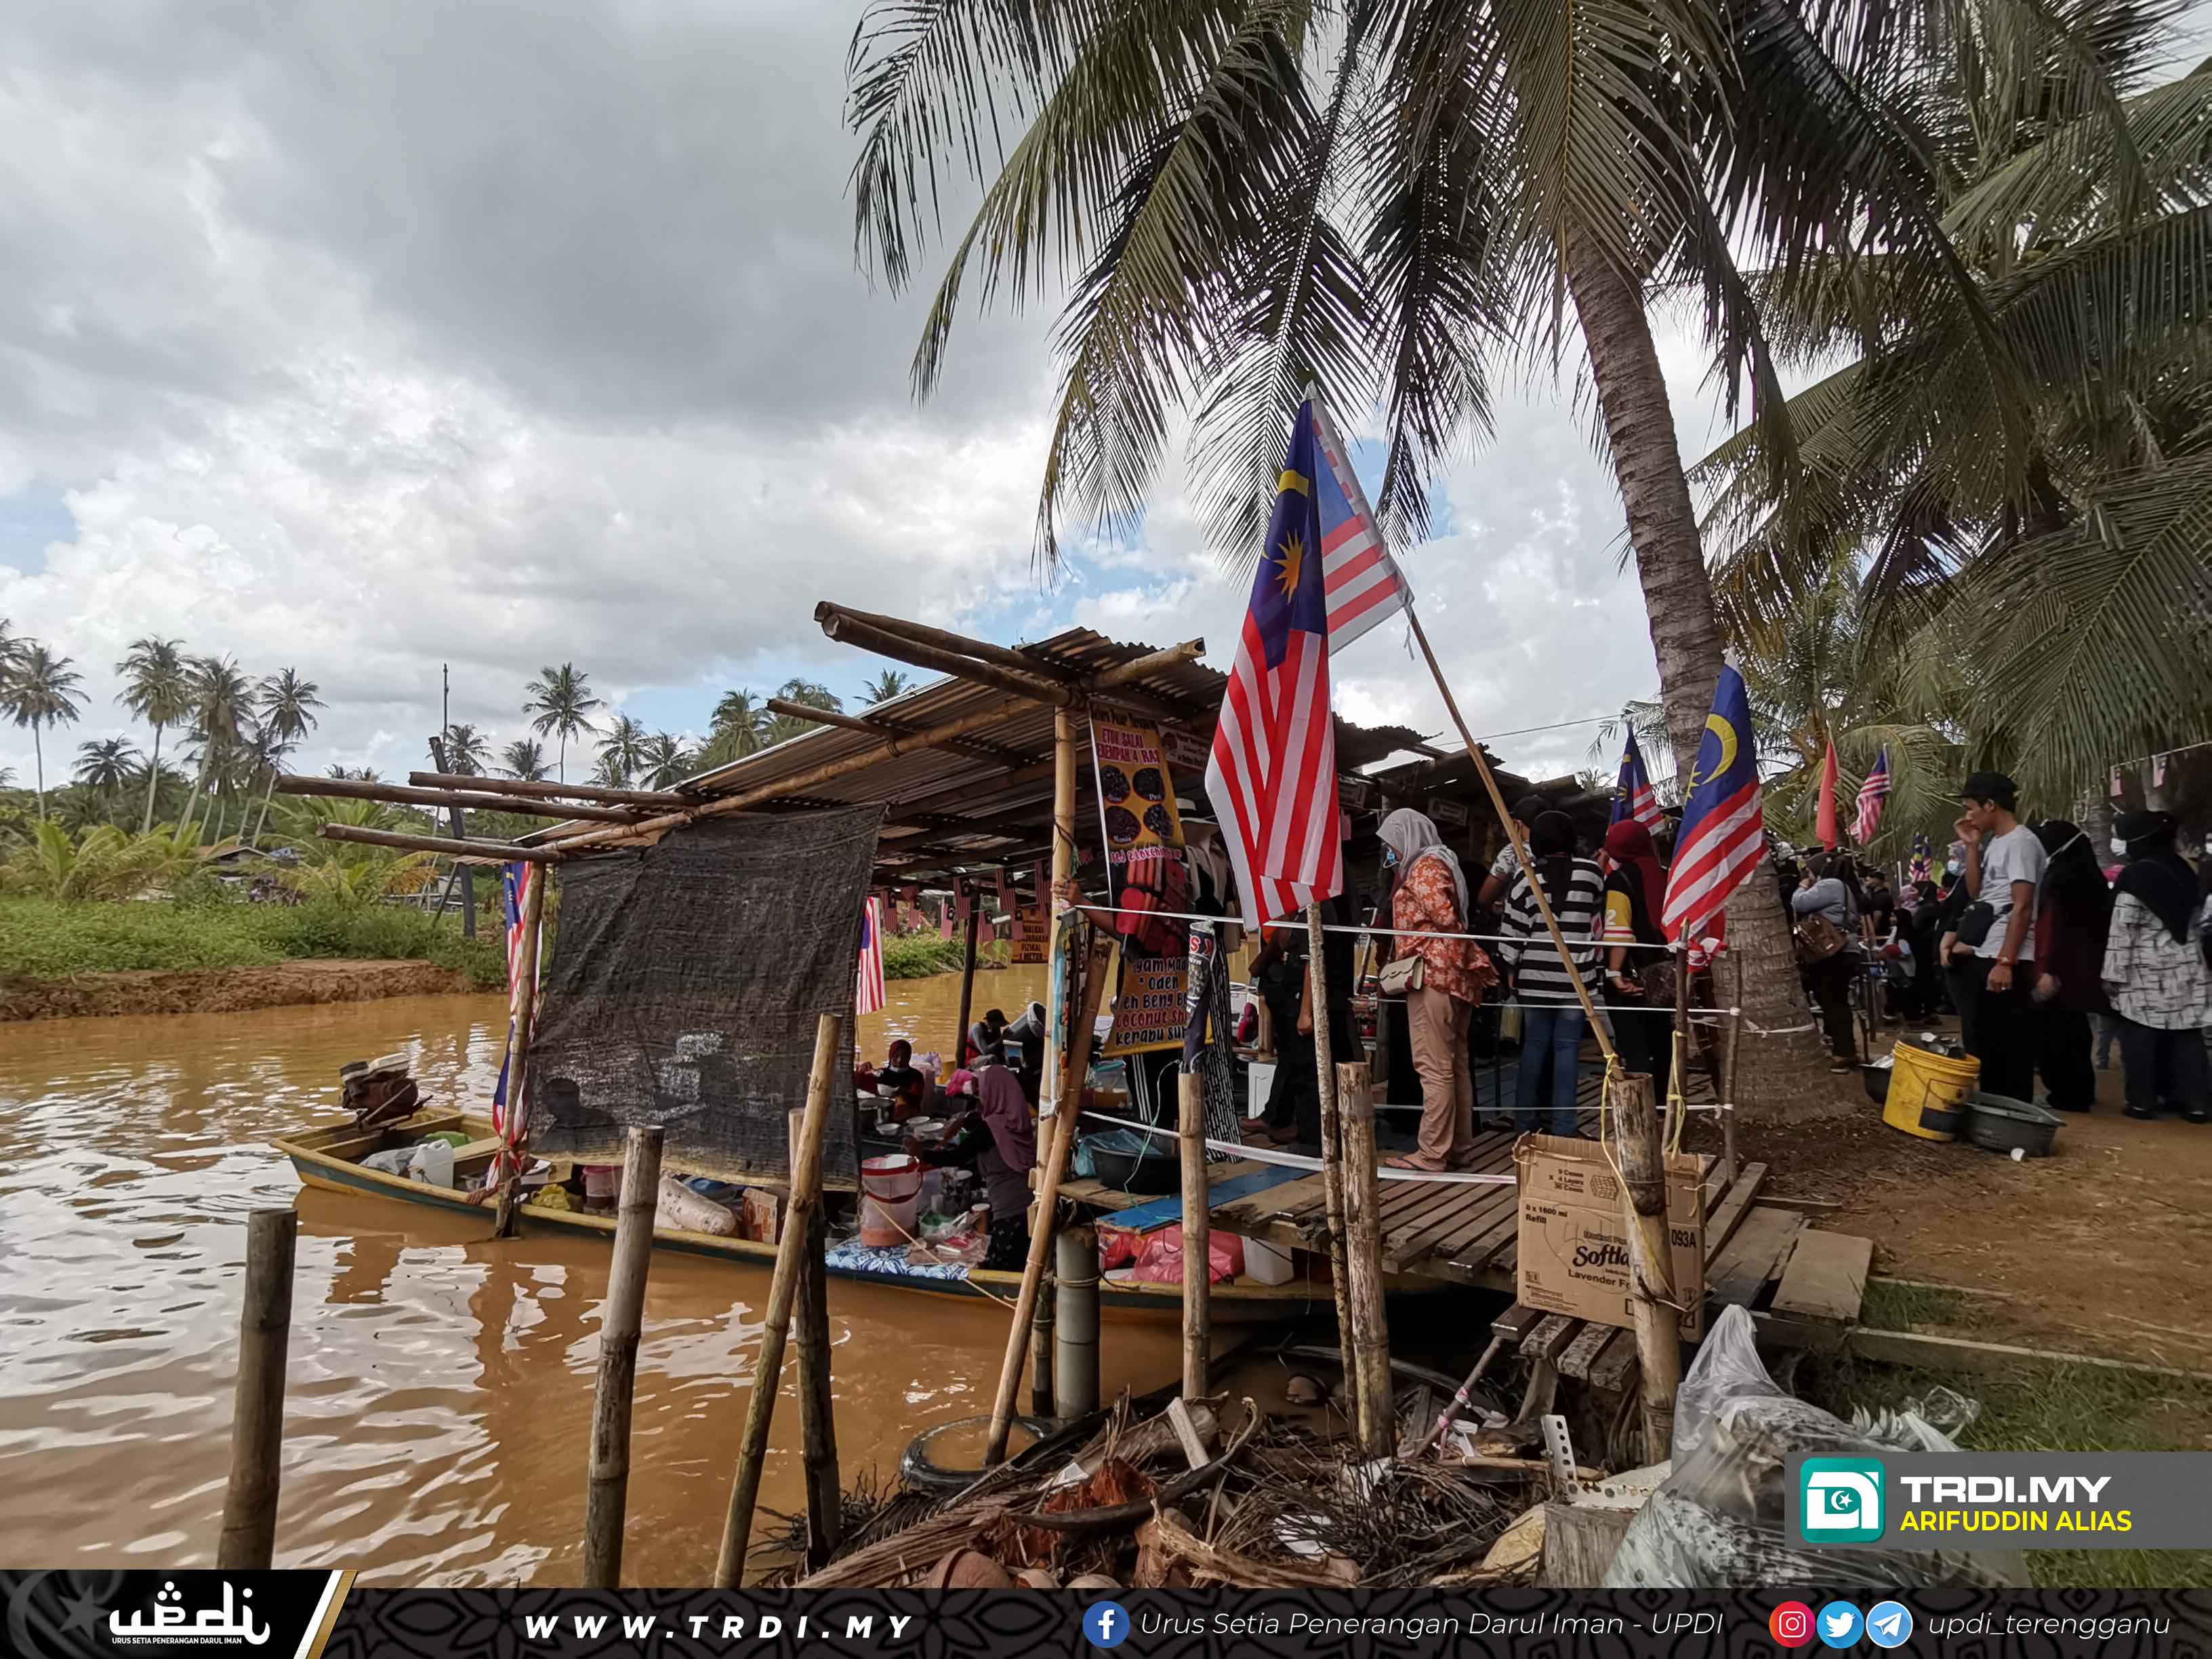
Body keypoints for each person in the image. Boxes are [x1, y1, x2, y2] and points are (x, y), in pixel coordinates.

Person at [1380, 806, 1496, 1171]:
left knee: (1433, 1067)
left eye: (1393, 844)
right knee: (1455, 1064)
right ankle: (1458, 1147)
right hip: (1455, 978)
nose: (1391, 852)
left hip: (1432, 976)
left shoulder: (1425, 868)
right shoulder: (1444, 862)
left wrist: (1418, 943)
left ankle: (1431, 1152)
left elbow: (1445, 918)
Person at [2101, 810, 2212, 1122]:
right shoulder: (2186, 870)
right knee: (2188, 1037)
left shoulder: (2134, 876)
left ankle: (2141, 1102)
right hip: (2189, 964)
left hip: (2144, 969)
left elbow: (2123, 930)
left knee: (2140, 1037)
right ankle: (2197, 1105)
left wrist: (2112, 975)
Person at [1499, 811, 1605, 1135]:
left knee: (1534, 1046)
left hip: (1534, 978)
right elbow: (1597, 925)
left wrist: (1509, 968)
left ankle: (1526, 1124)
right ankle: (1564, 1127)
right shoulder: (1592, 874)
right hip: (1576, 979)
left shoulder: (1524, 877)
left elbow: (1512, 932)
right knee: (1567, 1049)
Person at [1952, 772, 2045, 1101]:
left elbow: (2022, 906)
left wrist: (2006, 960)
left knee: (2010, 1040)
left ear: (1991, 805)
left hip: (2008, 954)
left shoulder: (2021, 843)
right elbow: (1978, 891)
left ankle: (2015, 1108)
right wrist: (1972, 847)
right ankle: (1995, 1103)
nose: (1969, 815)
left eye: (1972, 807)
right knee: (1987, 1037)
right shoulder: (1997, 843)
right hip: (1987, 950)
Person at [906, 1059, 1036, 1268]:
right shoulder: (1016, 1118)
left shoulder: (991, 1128)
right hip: (1026, 1203)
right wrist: (966, 1119)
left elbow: (957, 1156)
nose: (980, 1096)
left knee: (1002, 1265)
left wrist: (921, 1153)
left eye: (981, 1090)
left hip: (1010, 1210)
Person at [2029, 820, 2111, 1112]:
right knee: (2076, 1031)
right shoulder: (2091, 876)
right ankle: (2080, 1091)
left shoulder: (2060, 877)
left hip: (2059, 968)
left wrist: (2046, 968)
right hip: (2083, 968)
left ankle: (2065, 1095)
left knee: (2054, 1033)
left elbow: (2053, 925)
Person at [1601, 819, 1676, 1099]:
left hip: (1632, 974)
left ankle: (1643, 1111)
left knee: (1634, 1047)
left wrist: (1614, 972)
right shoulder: (1666, 875)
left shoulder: (1620, 880)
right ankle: (1664, 1104)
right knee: (1662, 1042)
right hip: (1663, 974)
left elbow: (1619, 930)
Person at [1792, 853, 1864, 1073]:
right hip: (1845, 950)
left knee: (1833, 1002)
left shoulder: (1830, 884)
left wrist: (1803, 886)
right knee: (1837, 1001)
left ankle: (1844, 1054)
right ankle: (1845, 1048)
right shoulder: (1847, 886)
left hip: (1833, 952)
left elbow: (1799, 903)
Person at [1476, 794, 1551, 911]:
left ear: (1517, 824)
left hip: (1519, 922)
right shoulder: (1558, 849)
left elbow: (1484, 898)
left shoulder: (1513, 851)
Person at [1906, 879, 1944, 1019]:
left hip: (1923, 949)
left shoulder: (1927, 908)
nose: (1911, 894)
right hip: (1927, 948)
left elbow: (1914, 928)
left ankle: (1926, 1010)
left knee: (1923, 979)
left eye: (1914, 891)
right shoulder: (1931, 906)